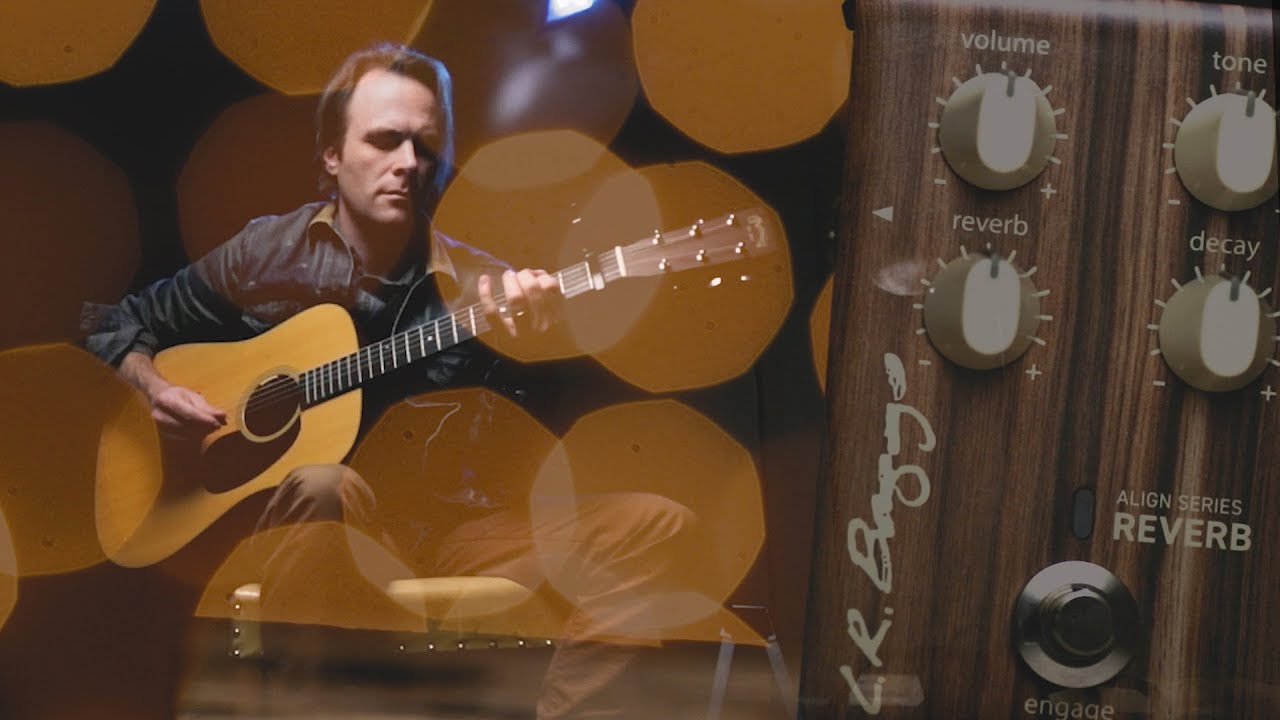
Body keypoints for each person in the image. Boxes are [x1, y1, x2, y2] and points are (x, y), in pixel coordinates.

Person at [82, 42, 698, 719]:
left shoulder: (479, 286)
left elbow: (525, 442)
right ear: (332, 155)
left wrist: (531, 340)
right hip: (301, 526)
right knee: (327, 483)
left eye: (425, 146)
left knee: (657, 523)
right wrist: (155, 387)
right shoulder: (265, 252)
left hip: (451, 531)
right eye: (384, 140)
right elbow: (112, 322)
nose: (407, 162)